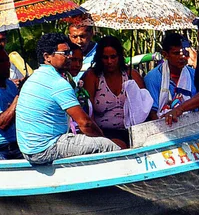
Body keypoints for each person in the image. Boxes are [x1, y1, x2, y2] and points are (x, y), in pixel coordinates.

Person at [15, 31, 121, 166]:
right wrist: (102, 138)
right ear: (47, 57)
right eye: (64, 54)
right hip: (46, 148)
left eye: (69, 52)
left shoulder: (34, 77)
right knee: (108, 145)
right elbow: (85, 124)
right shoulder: (57, 83)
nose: (70, 57)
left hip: (29, 149)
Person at [82, 36, 156, 148]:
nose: (109, 61)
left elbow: (145, 107)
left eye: (113, 57)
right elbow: (88, 112)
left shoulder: (132, 75)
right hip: (104, 133)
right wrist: (99, 137)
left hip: (134, 131)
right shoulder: (92, 77)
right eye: (105, 58)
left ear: (120, 56)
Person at [144, 31, 197, 116]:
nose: (182, 57)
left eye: (184, 53)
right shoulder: (152, 78)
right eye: (176, 53)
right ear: (165, 55)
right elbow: (153, 113)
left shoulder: (194, 75)